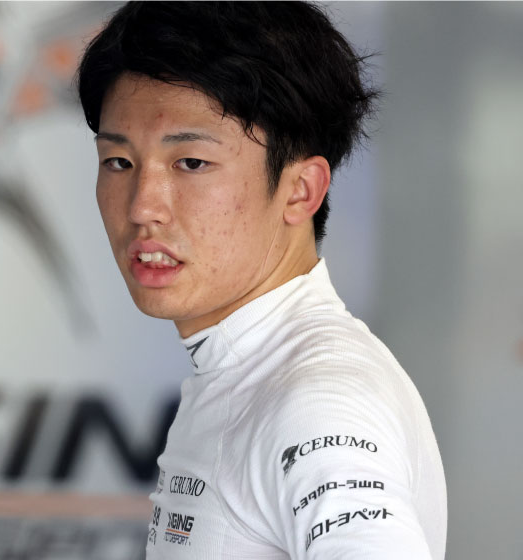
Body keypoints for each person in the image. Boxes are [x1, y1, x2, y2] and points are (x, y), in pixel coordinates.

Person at [76, 2, 446, 558]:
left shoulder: (318, 398)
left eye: (191, 163)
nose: (142, 207)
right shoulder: (249, 370)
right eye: (119, 162)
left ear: (301, 190)